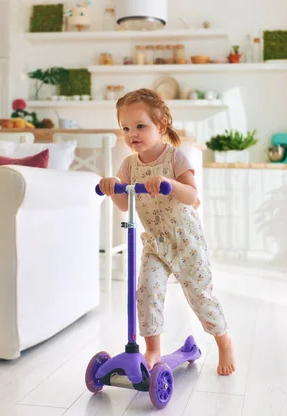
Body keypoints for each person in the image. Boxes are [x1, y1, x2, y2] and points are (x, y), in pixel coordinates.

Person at [98, 88, 235, 376]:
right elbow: (124, 205)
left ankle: (224, 342)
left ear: (160, 127)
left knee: (200, 296)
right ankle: (153, 349)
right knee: (146, 291)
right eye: (125, 128)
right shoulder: (129, 165)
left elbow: (191, 195)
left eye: (140, 126)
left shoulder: (175, 158)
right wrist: (112, 187)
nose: (132, 133)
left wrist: (168, 184)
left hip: (186, 241)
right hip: (155, 244)